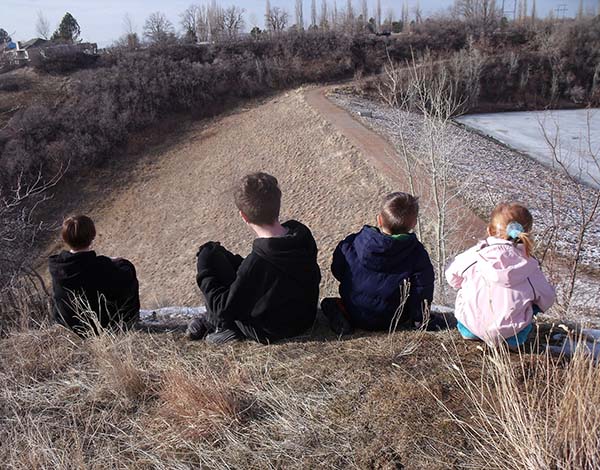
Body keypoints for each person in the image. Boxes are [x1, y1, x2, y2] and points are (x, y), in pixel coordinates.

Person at [187, 172, 321, 344]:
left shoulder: (257, 263)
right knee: (217, 255)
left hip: (269, 331)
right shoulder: (301, 234)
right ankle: (214, 322)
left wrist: (204, 268)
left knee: (210, 259)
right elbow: (260, 275)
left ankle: (224, 328)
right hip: (304, 318)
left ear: (243, 216)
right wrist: (220, 255)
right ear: (277, 205)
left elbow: (223, 308)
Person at [322, 192, 435, 335]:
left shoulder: (353, 242)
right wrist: (420, 319)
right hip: (393, 318)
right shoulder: (417, 254)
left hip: (354, 309)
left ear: (379, 220)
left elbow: (337, 270)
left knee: (330, 303)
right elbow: (422, 291)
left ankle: (341, 315)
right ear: (414, 224)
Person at [445, 203, 555, 347]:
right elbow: (547, 299)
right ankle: (512, 334)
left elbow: (452, 277)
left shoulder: (475, 256)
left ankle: (472, 331)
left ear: (490, 230)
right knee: (533, 299)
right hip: (512, 335)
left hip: (470, 327)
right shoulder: (529, 266)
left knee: (467, 286)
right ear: (526, 233)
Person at [49, 215, 140, 336]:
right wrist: (120, 263)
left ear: (65, 238)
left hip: (67, 327)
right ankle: (129, 322)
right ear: (92, 236)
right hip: (98, 328)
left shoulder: (57, 266)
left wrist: (105, 262)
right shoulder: (100, 267)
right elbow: (125, 279)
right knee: (127, 271)